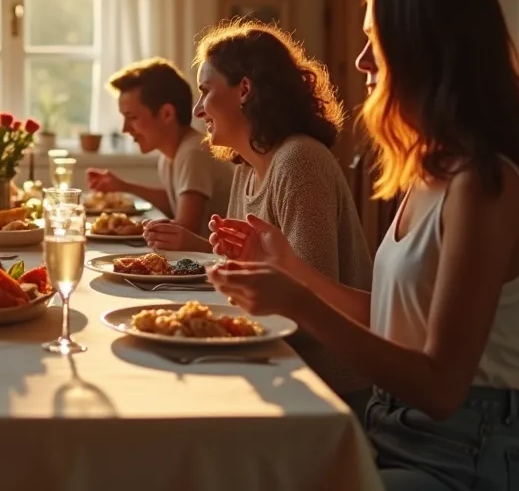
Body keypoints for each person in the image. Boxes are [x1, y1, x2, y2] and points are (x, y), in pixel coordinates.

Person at [208, 0, 519, 490]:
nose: (360, 61)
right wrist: (293, 270)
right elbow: (393, 318)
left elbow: (441, 388)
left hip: (464, 458)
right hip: (395, 433)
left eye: (376, 39)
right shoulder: (432, 174)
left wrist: (300, 303)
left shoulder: (484, 186)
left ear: (426, 49)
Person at [146, 21, 374, 413]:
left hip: (323, 383)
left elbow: (310, 307)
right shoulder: (248, 167)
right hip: (277, 360)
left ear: (244, 90)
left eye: (206, 91)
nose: (198, 110)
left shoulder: (299, 162)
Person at [85, 58, 233, 235]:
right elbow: (174, 203)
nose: (124, 129)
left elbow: (186, 228)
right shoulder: (171, 155)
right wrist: (122, 186)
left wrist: (131, 227)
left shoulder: (193, 153)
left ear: (167, 114)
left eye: (132, 117)